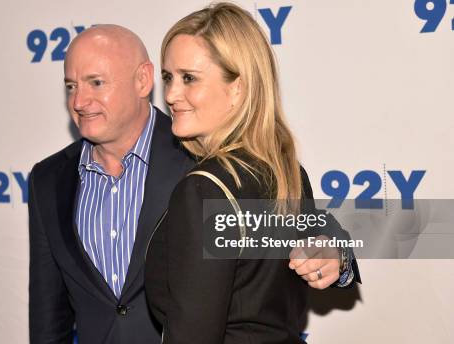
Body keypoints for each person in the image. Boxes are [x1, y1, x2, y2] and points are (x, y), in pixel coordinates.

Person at [29, 23, 359, 344]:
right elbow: (49, 316)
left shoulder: (207, 161)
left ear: (142, 80)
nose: (79, 101)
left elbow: (313, 235)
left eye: (96, 82)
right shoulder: (49, 180)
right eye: (70, 86)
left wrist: (337, 257)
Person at [144, 3, 358, 344]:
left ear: (237, 89)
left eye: (189, 78)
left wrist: (340, 257)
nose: (170, 94)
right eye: (168, 77)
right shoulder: (286, 171)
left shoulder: (204, 189)